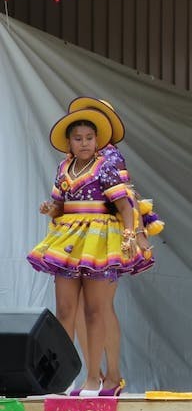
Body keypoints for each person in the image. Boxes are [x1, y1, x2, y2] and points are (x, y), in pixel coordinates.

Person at [28, 106, 151, 396]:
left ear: (98, 140)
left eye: (89, 138)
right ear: (69, 142)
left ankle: (95, 379)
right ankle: (63, 376)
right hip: (69, 240)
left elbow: (125, 204)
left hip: (98, 239)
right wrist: (52, 208)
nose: (84, 143)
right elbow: (59, 204)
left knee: (96, 310)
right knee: (65, 310)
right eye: (78, 138)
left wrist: (133, 235)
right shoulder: (63, 168)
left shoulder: (106, 166)